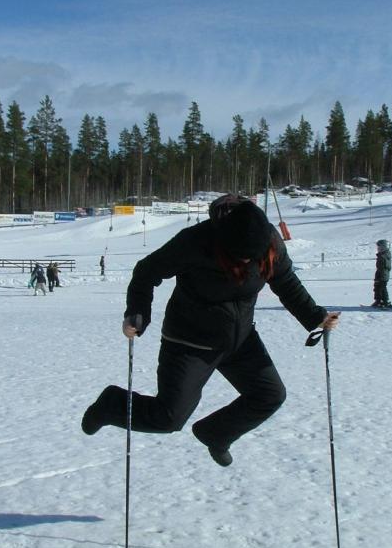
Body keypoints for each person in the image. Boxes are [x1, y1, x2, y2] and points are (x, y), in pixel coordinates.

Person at [82, 195, 340, 466]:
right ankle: (111, 405)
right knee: (168, 418)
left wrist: (316, 317)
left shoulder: (268, 240)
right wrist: (137, 314)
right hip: (190, 341)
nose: (246, 261)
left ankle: (215, 433)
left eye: (252, 257)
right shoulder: (196, 241)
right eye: (239, 256)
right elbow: (146, 272)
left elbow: (285, 281)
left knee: (269, 395)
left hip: (239, 340)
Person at [372, 239, 392, 308]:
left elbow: (384, 267)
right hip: (380, 274)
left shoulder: (384, 256)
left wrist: (380, 277)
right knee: (377, 287)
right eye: (378, 248)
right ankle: (378, 300)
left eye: (380, 248)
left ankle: (384, 301)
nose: (378, 249)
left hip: (383, 275)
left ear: (384, 247)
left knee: (382, 288)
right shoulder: (382, 255)